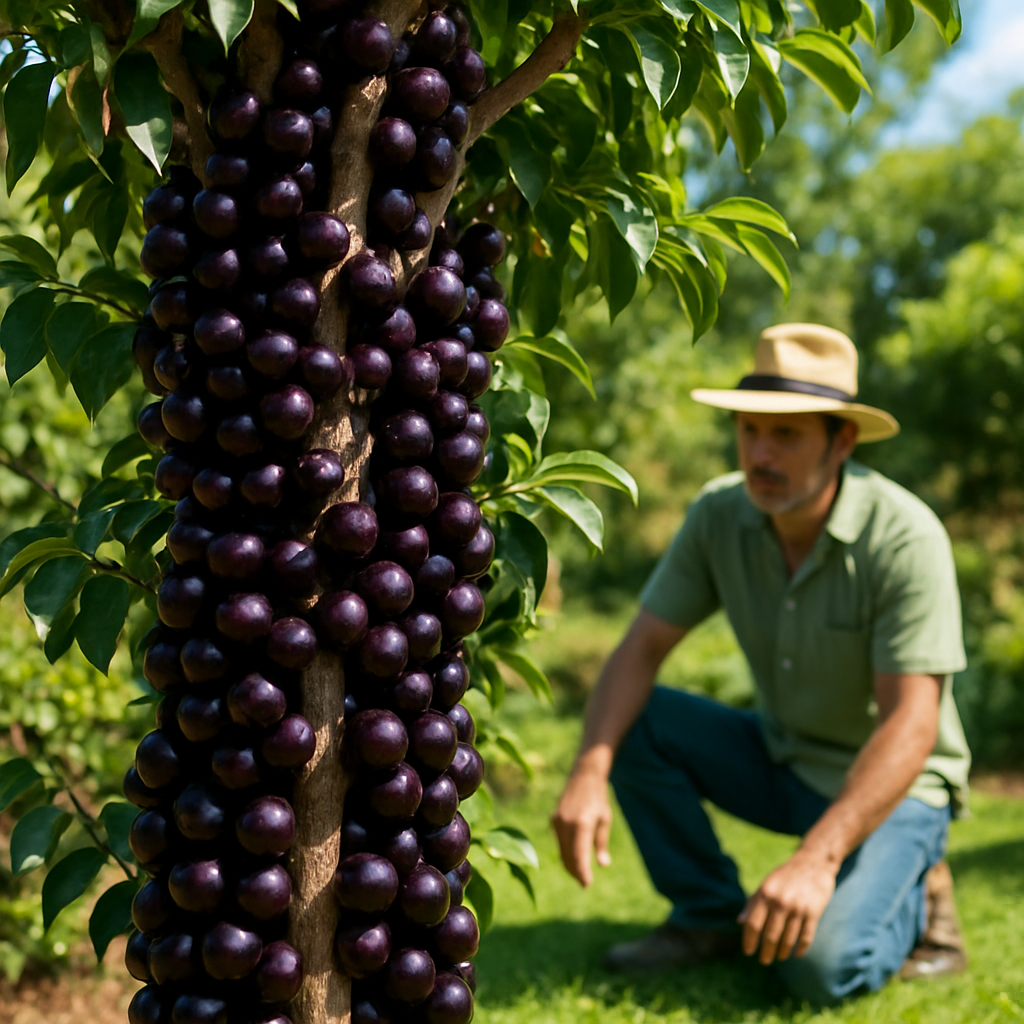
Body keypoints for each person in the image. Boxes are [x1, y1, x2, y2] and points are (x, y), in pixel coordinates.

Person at [551, 324, 971, 1004]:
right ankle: (708, 917)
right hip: (782, 757)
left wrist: (817, 859)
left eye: (786, 435)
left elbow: (912, 723)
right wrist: (587, 771)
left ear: (842, 441)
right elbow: (640, 649)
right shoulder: (719, 514)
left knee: (817, 969)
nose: (761, 453)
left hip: (896, 787)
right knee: (633, 720)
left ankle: (922, 892)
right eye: (749, 431)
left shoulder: (904, 536)